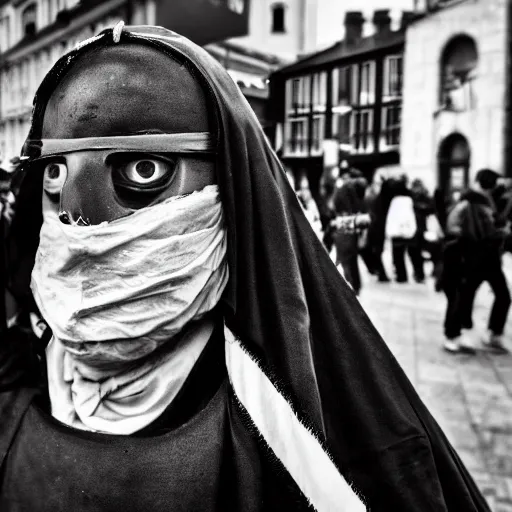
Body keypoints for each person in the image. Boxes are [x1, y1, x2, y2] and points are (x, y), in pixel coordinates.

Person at [1, 23, 490, 511]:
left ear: (233, 185)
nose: (83, 222)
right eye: (55, 174)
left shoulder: (288, 438)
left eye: (143, 170)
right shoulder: (18, 373)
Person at [443, 169, 511, 354]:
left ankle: (493, 334)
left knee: (502, 295)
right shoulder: (472, 200)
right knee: (463, 296)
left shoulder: (486, 199)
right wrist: (495, 233)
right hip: (473, 256)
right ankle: (454, 335)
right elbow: (458, 227)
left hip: (488, 257)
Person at [385, 175, 420, 283]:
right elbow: (411, 215)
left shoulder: (394, 200)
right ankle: (419, 274)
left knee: (398, 255)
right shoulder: (410, 199)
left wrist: (390, 229)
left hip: (397, 232)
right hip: (409, 230)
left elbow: (392, 217)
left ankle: (401, 276)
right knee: (414, 254)